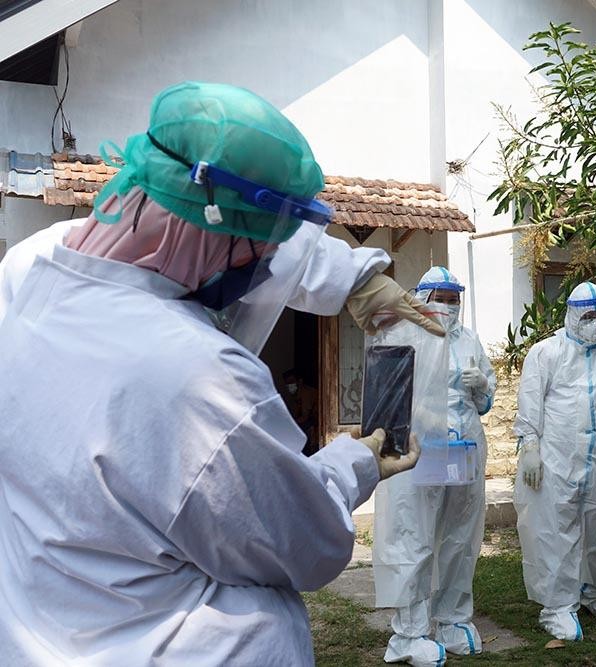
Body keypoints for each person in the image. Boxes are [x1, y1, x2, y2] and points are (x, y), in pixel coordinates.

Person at [0, 81, 442, 666]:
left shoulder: (29, 270)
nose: (259, 268)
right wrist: (351, 463)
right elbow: (302, 545)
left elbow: (225, 229)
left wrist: (353, 276)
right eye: (256, 249)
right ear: (206, 222)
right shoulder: (196, 377)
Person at [375, 266, 497, 667]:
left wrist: (481, 385)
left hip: (461, 452)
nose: (447, 306)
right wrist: (422, 411)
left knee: (459, 536)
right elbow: (385, 401)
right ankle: (408, 634)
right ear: (422, 297)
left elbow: (485, 401)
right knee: (416, 538)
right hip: (418, 454)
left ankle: (451, 619)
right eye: (440, 298)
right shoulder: (401, 335)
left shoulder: (470, 340)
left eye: (453, 298)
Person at [513, 281, 596, 641]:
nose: (595, 323)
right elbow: (530, 402)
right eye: (588, 316)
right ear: (571, 315)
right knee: (557, 530)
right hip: (556, 456)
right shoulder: (545, 352)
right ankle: (556, 606)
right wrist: (531, 448)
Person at [282, 368, 319, 455]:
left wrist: (290, 424)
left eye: (291, 382)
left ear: (300, 381)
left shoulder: (306, 393)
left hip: (316, 424)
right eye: (287, 383)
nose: (289, 385)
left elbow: (304, 417)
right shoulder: (297, 395)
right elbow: (297, 414)